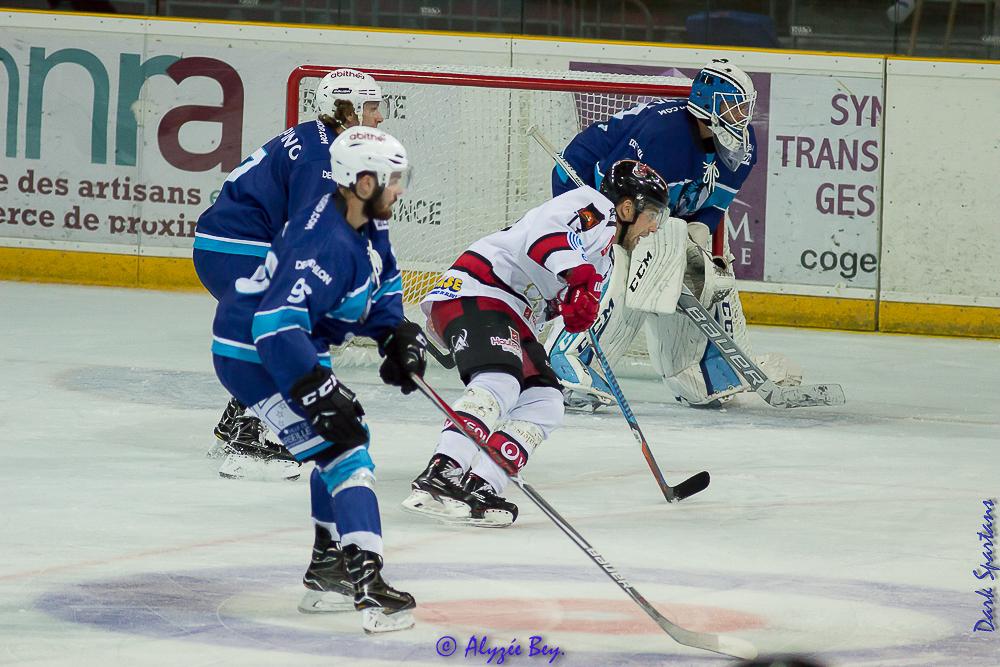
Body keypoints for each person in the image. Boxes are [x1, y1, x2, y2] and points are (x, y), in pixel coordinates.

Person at [211, 126, 426, 632]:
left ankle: (330, 573)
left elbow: (382, 279)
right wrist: (314, 390)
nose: (400, 189)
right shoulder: (323, 241)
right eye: (394, 178)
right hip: (254, 356)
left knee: (349, 436)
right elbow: (274, 326)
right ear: (365, 182)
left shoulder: (364, 219)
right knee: (347, 452)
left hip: (296, 345)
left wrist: (395, 332)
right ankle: (368, 586)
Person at [401, 159, 669, 527]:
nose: (654, 227)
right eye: (652, 214)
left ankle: (482, 484)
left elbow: (566, 296)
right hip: (482, 288)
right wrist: (578, 277)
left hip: (511, 311)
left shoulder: (605, 258)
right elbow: (545, 234)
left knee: (545, 402)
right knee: (500, 379)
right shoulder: (595, 206)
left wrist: (575, 308)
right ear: (626, 208)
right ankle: (443, 471)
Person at [547, 58, 800, 410]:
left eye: (745, 108)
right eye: (733, 106)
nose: (741, 116)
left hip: (654, 206)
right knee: (624, 264)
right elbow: (613, 191)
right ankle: (568, 359)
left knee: (707, 270)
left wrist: (696, 235)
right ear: (708, 104)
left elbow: (713, 207)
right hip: (587, 187)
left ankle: (692, 371)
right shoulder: (663, 135)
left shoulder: (743, 149)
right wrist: (642, 242)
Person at [194, 69, 385, 480]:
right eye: (371, 107)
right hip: (237, 249)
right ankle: (253, 438)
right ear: (347, 110)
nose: (379, 117)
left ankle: (240, 416)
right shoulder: (323, 156)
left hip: (229, 246)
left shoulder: (322, 140)